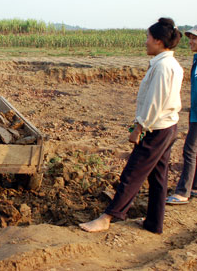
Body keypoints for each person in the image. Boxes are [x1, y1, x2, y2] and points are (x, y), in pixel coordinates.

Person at [79, 18, 183, 234]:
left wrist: (139, 128)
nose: (145, 42)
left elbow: (155, 102)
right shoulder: (171, 64)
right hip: (168, 126)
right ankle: (154, 223)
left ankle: (108, 217)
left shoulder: (163, 67)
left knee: (132, 173)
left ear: (158, 41)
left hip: (156, 129)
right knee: (158, 177)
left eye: (147, 38)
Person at [166, 25, 197, 205]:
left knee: (190, 151)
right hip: (194, 113)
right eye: (191, 38)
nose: (191, 42)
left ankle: (183, 192)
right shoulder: (195, 60)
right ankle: (193, 186)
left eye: (195, 39)